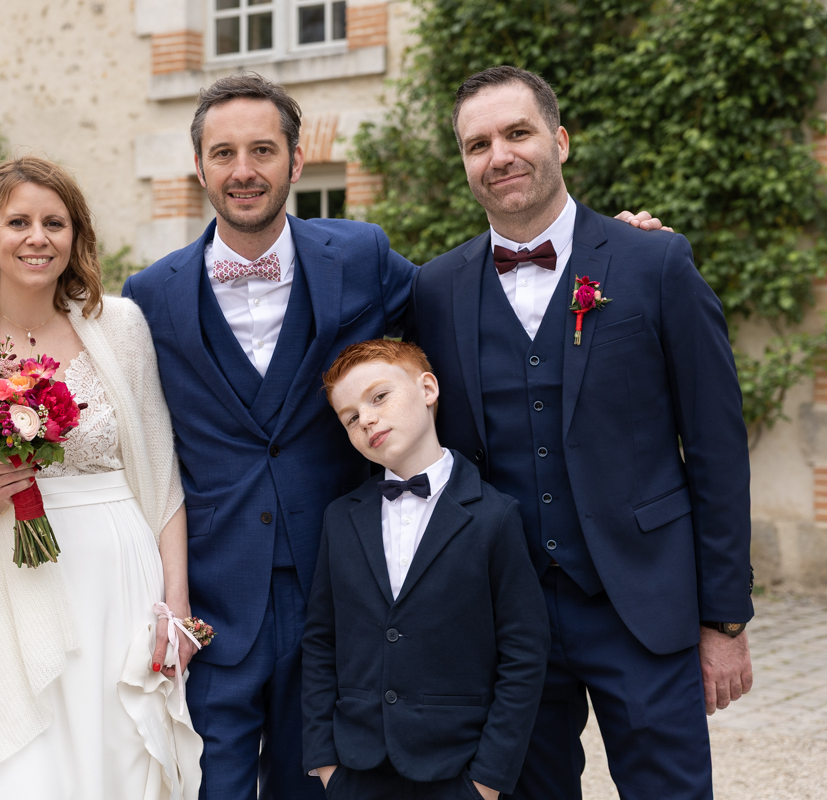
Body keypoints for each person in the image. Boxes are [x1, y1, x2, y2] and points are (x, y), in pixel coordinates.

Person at [122, 71, 666, 800]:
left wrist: (608, 252)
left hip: (345, 588)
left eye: (262, 150)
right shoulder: (148, 295)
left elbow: (469, 298)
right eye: (223, 153)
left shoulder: (359, 256)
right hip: (216, 595)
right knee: (207, 783)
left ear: (296, 159)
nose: (243, 170)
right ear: (199, 166)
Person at [405, 66, 753, 800]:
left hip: (643, 602)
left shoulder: (655, 262)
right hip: (506, 617)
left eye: (518, 133)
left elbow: (717, 449)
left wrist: (724, 620)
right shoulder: (433, 290)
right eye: (477, 144)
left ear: (559, 141)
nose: (499, 155)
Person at [0, 156, 202, 799]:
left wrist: (175, 606)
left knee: (118, 755)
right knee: (27, 764)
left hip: (117, 575)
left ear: (76, 235)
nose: (37, 238)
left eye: (55, 223)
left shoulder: (121, 325)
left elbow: (161, 474)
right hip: (3, 575)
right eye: (18, 222)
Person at [303, 339, 549, 800]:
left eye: (379, 397)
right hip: (357, 769)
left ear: (428, 388)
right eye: (350, 418)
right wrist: (325, 763)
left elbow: (524, 652)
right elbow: (321, 640)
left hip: (457, 768)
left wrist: (487, 782)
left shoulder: (495, 515)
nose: (366, 419)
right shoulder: (340, 518)